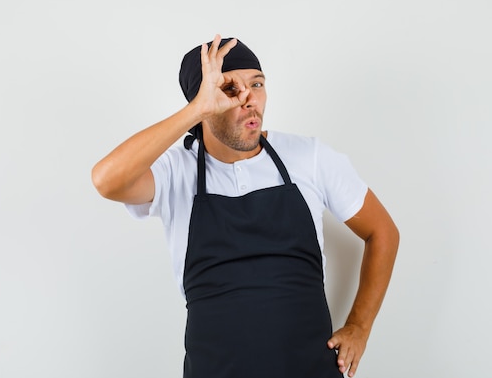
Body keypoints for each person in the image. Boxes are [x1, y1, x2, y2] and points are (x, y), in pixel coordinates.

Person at [91, 34, 399, 378]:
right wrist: (196, 110)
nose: (249, 99)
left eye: (257, 83)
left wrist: (360, 327)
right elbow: (107, 180)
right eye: (229, 89)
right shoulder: (176, 171)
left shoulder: (309, 158)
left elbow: (382, 231)